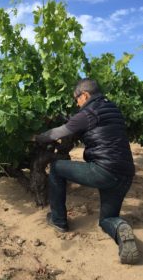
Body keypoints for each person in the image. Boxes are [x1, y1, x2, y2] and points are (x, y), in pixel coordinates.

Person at [35, 78, 140, 265]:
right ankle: (121, 228)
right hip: (125, 174)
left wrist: (38, 138)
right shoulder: (113, 108)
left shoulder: (88, 112)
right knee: (108, 219)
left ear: (85, 95)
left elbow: (60, 132)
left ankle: (58, 220)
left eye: (77, 99)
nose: (77, 103)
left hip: (103, 171)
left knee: (57, 168)